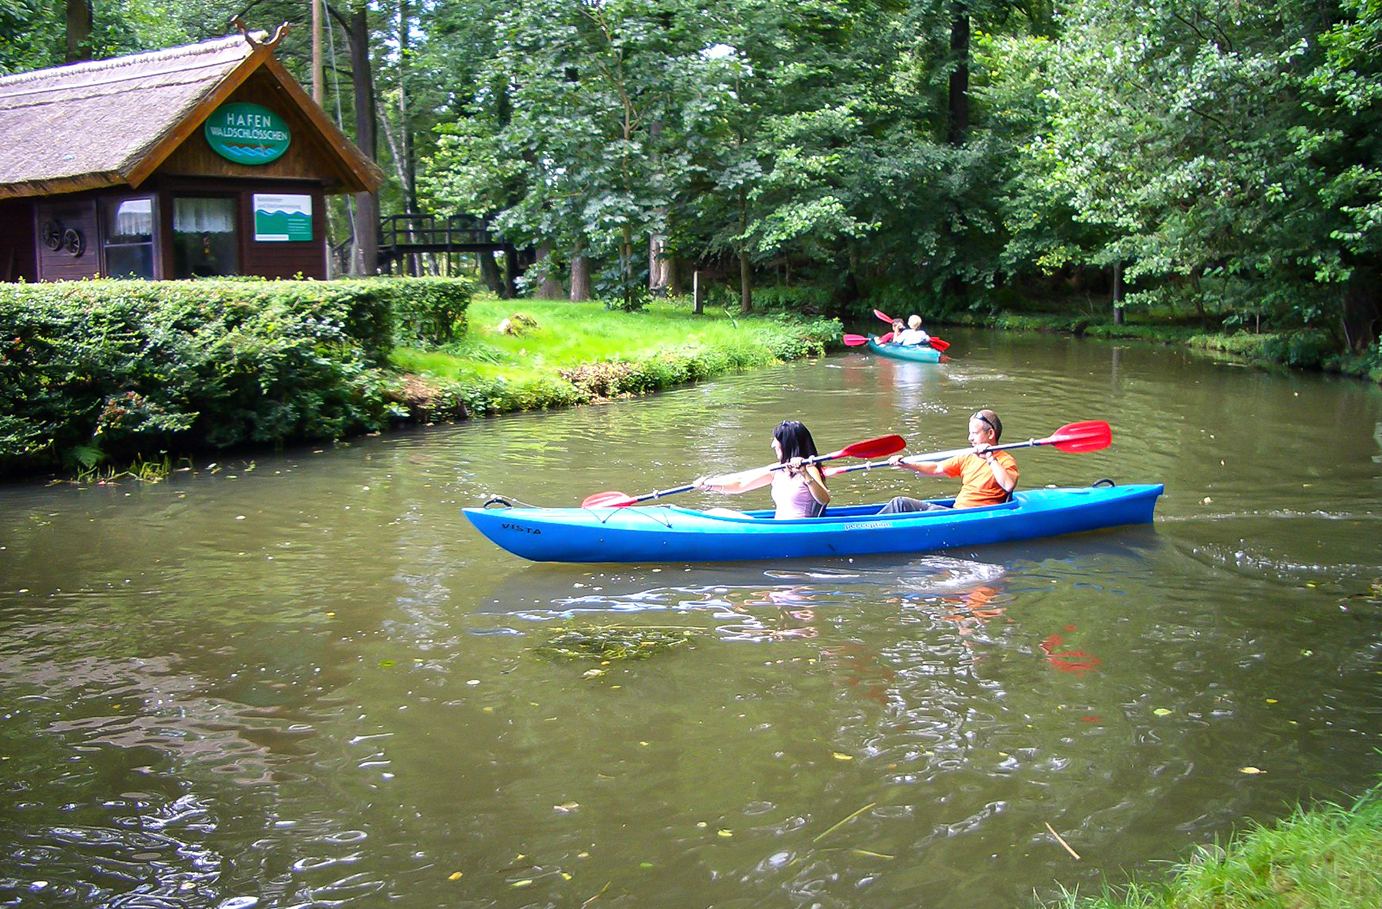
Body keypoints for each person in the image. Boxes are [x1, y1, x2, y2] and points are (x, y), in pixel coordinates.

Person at [878, 409, 1017, 513]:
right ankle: (870, 525)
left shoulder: (1005, 460)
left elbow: (1009, 485)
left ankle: (869, 529)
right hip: (957, 512)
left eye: (974, 433)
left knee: (900, 503)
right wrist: (906, 465)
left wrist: (990, 458)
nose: (970, 438)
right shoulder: (968, 456)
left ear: (991, 434)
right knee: (900, 504)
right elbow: (936, 468)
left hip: (970, 517)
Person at [694, 420, 830, 519]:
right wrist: (709, 486)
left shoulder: (809, 469)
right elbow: (740, 485)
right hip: (779, 526)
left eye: (776, 440)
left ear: (788, 444)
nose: (772, 445)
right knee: (714, 512)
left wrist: (804, 473)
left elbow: (824, 500)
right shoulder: (777, 469)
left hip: (796, 529)